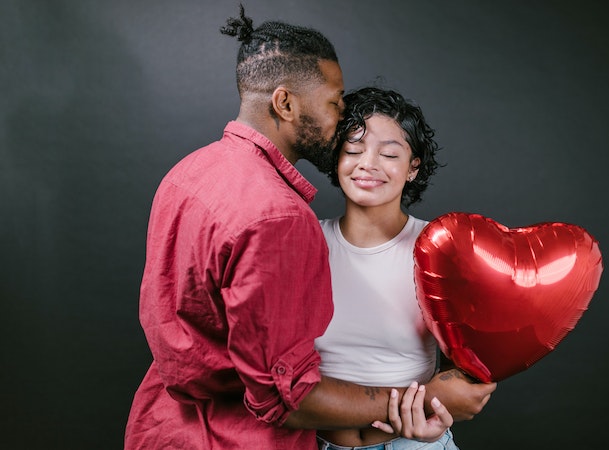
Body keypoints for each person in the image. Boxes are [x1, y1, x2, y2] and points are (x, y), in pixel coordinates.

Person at [124, 7, 490, 449]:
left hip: (170, 429)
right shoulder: (283, 218)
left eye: (389, 153)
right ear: (285, 103)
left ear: (413, 167)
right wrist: (427, 396)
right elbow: (287, 397)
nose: (339, 120)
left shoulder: (187, 172)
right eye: (335, 104)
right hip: (236, 437)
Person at [315, 87, 497, 449]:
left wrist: (436, 408)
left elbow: (468, 370)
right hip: (314, 443)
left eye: (389, 154)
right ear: (336, 158)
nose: (368, 163)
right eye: (353, 149)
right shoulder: (306, 241)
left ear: (413, 168)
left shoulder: (437, 249)